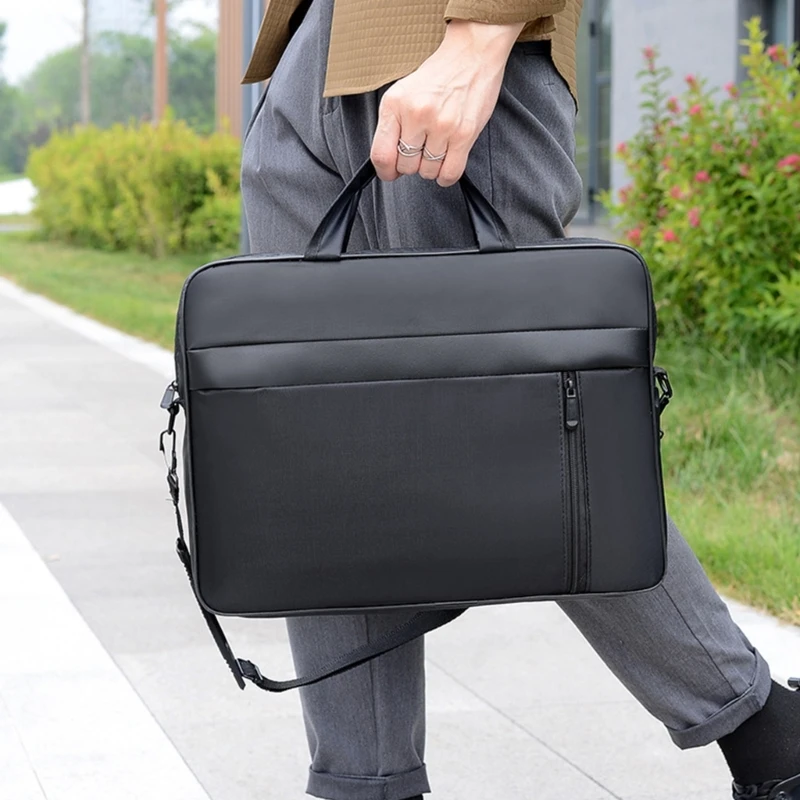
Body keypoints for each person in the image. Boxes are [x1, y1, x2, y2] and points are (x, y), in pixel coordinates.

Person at [239, 1, 800, 798]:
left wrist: (482, 34)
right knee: (327, 434)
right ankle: (363, 782)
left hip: (446, 36)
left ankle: (768, 737)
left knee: (537, 425)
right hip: (306, 55)